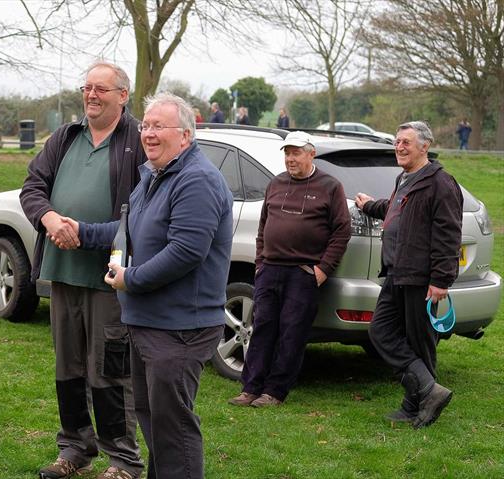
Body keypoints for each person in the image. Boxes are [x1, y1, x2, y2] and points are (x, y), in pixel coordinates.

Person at [60, 92, 233, 479]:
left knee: (173, 429)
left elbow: (187, 251)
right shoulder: (154, 175)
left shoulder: (197, 180)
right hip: (149, 322)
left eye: (159, 126)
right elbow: (131, 229)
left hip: (180, 328)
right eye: (146, 126)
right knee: (154, 421)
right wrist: (84, 232)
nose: (148, 134)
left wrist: (130, 280)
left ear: (185, 136)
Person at [20, 61, 145, 479]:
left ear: (123, 95)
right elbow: (33, 186)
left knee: (109, 369)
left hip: (109, 278)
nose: (91, 95)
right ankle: (74, 447)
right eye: (87, 87)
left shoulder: (138, 141)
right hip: (62, 270)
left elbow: (144, 211)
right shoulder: (66, 137)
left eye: (102, 89)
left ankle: (122, 459)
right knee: (68, 368)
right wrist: (51, 219)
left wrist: (86, 233)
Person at [229, 131, 350, 408]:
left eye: (296, 153)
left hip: (303, 272)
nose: (290, 158)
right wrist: (260, 263)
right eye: (287, 153)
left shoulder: (330, 187)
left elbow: (341, 231)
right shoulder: (276, 183)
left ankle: (275, 391)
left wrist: (322, 270)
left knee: (291, 333)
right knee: (261, 329)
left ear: (311, 154)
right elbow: (263, 226)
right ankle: (251, 387)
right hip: (270, 269)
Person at [355, 121, 462, 428]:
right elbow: (399, 209)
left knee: (420, 342)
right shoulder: (405, 178)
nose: (399, 147)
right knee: (381, 332)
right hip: (396, 272)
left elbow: (448, 234)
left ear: (425, 146)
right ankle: (429, 391)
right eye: (397, 142)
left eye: (406, 142)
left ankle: (416, 407)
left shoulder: (440, 182)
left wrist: (441, 279)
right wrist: (371, 206)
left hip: (420, 277)